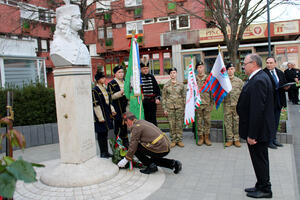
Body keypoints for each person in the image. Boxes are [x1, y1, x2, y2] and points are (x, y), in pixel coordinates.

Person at [237, 54, 275, 198]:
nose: (243, 66)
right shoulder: (258, 78)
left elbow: (257, 110)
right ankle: (260, 184)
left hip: (258, 132)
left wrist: (252, 135)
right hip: (258, 130)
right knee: (259, 159)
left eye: (245, 63)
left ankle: (265, 189)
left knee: (260, 160)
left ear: (253, 64)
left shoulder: (259, 80)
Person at [117, 112, 182, 175]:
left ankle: (151, 166)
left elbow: (133, 145)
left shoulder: (136, 127)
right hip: (164, 146)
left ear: (128, 120)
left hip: (160, 147)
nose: (126, 124)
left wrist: (126, 159)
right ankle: (174, 164)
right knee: (152, 160)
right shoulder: (141, 121)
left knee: (135, 148)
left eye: (125, 122)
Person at [263, 56, 288, 149]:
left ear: (275, 63)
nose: (269, 65)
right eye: (267, 63)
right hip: (268, 102)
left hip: (278, 101)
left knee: (276, 121)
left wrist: (286, 87)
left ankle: (274, 139)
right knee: (269, 122)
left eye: (271, 63)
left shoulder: (280, 73)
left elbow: (283, 84)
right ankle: (269, 141)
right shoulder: (263, 73)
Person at [92, 71, 116, 158]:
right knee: (101, 134)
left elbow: (109, 101)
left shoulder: (105, 88)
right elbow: (96, 105)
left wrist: (112, 110)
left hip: (107, 113)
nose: (104, 79)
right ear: (98, 80)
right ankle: (102, 152)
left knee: (105, 133)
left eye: (104, 77)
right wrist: (100, 117)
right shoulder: (95, 90)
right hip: (101, 116)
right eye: (102, 78)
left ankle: (106, 151)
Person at [162, 68, 185, 148]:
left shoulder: (181, 85)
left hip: (180, 107)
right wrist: (165, 109)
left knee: (179, 124)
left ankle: (179, 140)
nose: (173, 74)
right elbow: (164, 98)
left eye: (174, 73)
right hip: (170, 108)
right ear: (170, 75)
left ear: (176, 74)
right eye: (171, 73)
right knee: (171, 124)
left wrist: (185, 108)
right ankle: (173, 140)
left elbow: (184, 96)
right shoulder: (166, 85)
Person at [108, 66, 129, 147]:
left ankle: (126, 142)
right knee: (117, 127)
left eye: (122, 72)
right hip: (117, 108)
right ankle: (117, 144)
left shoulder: (125, 82)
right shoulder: (111, 84)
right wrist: (121, 92)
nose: (121, 74)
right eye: (119, 72)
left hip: (125, 107)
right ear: (115, 74)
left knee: (125, 126)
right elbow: (111, 97)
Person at [223, 63, 244, 147]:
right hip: (227, 105)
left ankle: (236, 139)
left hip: (236, 106)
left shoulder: (239, 81)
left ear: (234, 70)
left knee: (237, 122)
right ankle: (229, 139)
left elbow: (243, 94)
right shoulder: (224, 82)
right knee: (228, 122)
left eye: (231, 69)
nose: (230, 71)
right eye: (228, 69)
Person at [195, 61, 213, 146]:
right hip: (198, 104)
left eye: (201, 67)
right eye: (198, 67)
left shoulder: (208, 78)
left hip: (207, 103)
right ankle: (201, 137)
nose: (200, 69)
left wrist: (211, 103)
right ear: (196, 69)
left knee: (207, 121)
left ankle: (207, 137)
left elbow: (212, 92)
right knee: (199, 121)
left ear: (204, 68)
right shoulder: (194, 79)